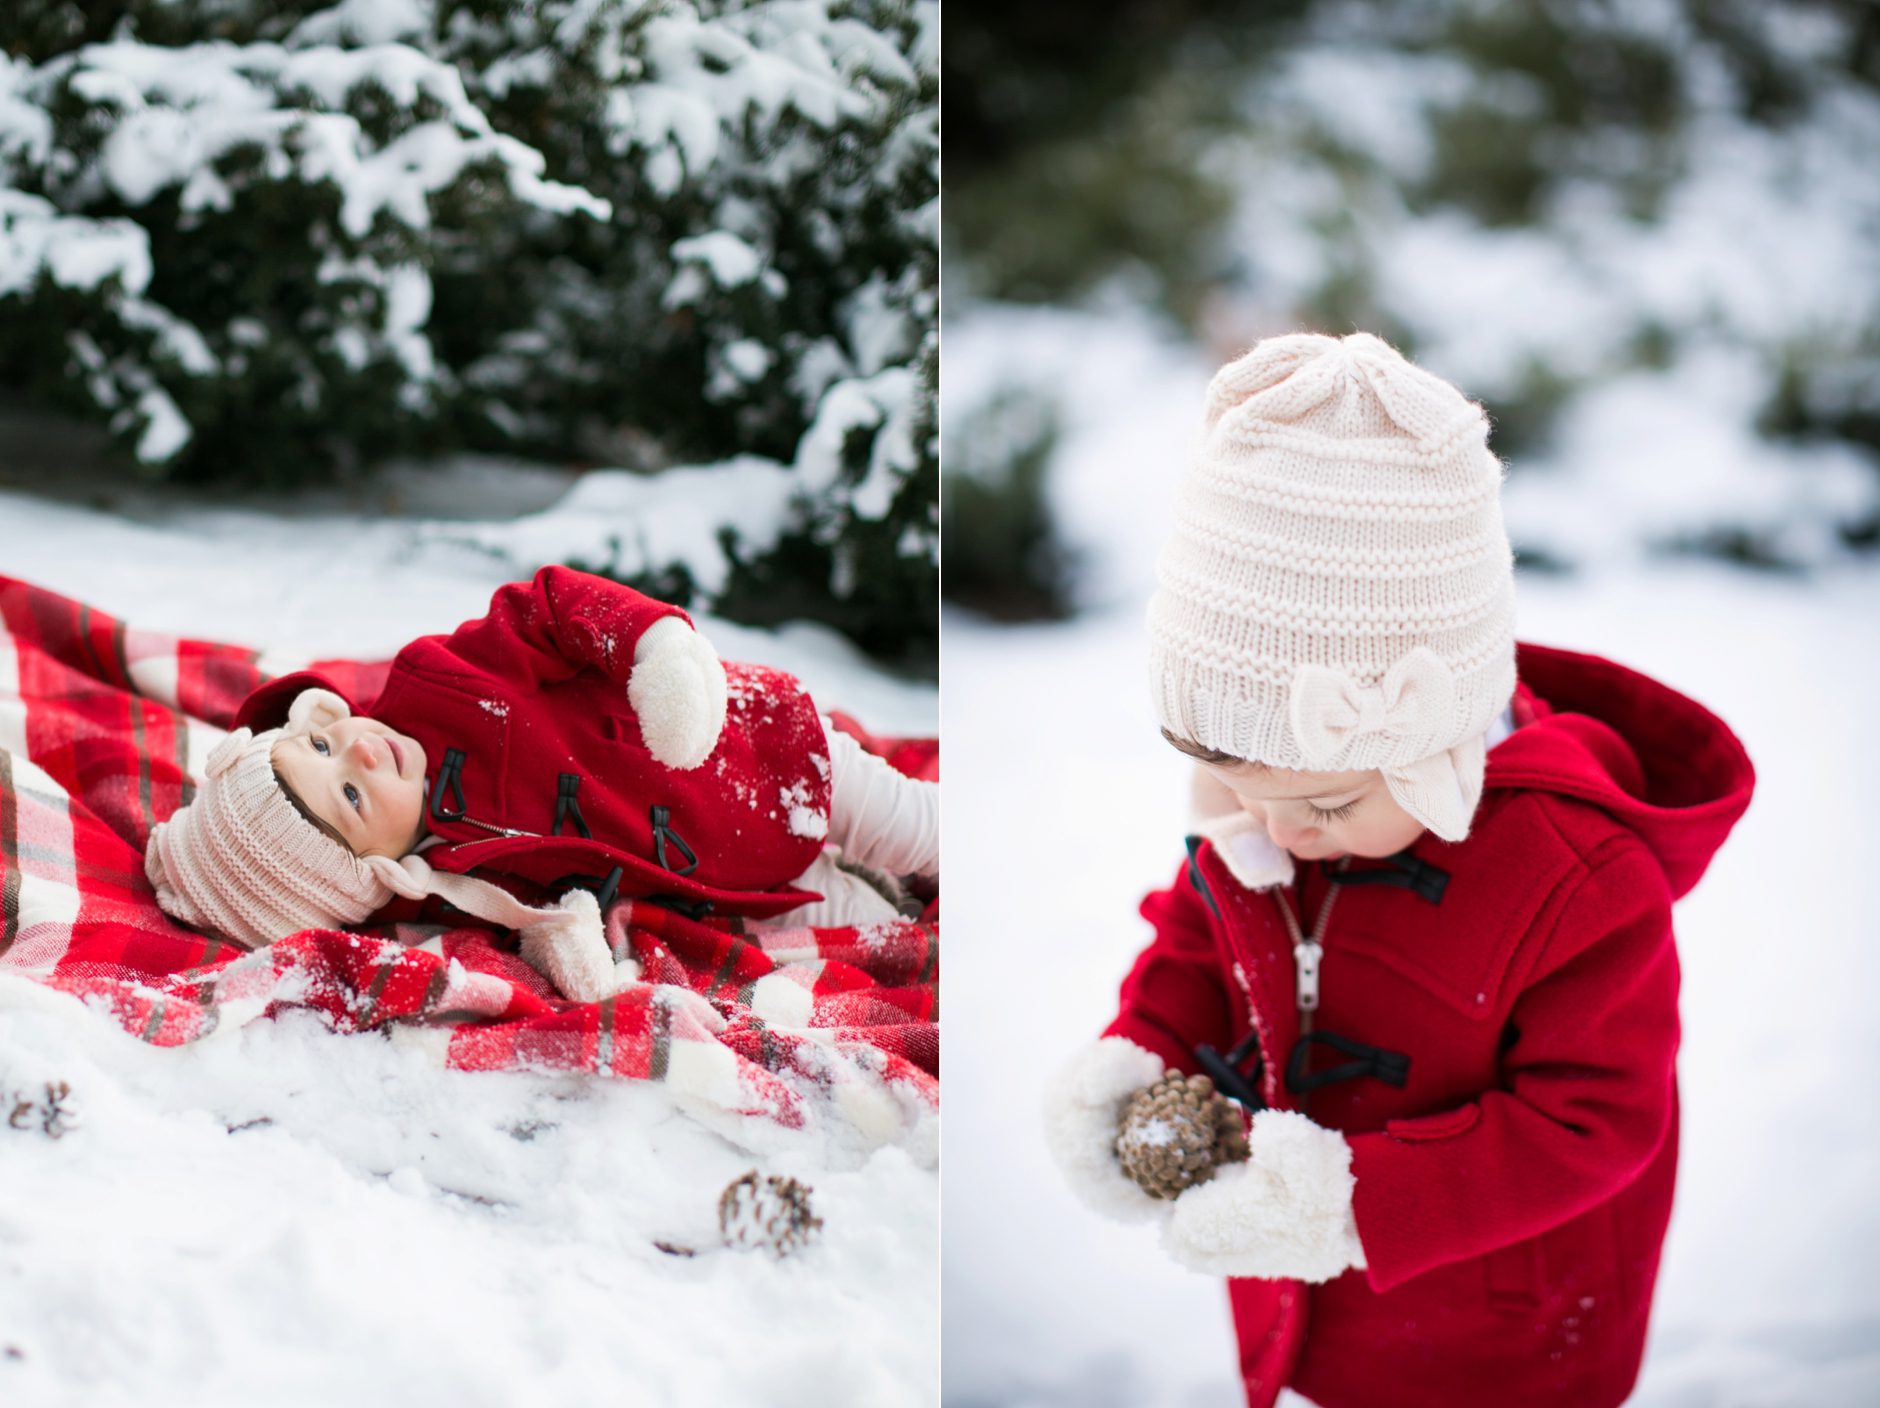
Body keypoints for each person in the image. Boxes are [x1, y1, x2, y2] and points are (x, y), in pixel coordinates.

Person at [1043, 333, 1753, 1408]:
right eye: (1237, 789)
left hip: (1504, 1342)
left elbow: (1593, 1120)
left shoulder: (1579, 877)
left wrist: (1350, 1202)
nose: (1277, 834)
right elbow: (1201, 941)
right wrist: (1140, 1051)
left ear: (1439, 739)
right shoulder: (1272, 803)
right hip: (1315, 1310)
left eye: (1326, 806)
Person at [144, 567, 937, 1001]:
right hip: (728, 880)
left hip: (768, 755)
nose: (359, 751)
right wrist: (564, 938)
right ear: (369, 871)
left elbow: (550, 606)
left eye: (321, 741)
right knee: (881, 932)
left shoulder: (438, 685)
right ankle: (861, 884)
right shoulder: (441, 886)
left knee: (928, 836)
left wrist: (655, 648)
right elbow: (535, 909)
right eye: (348, 796)